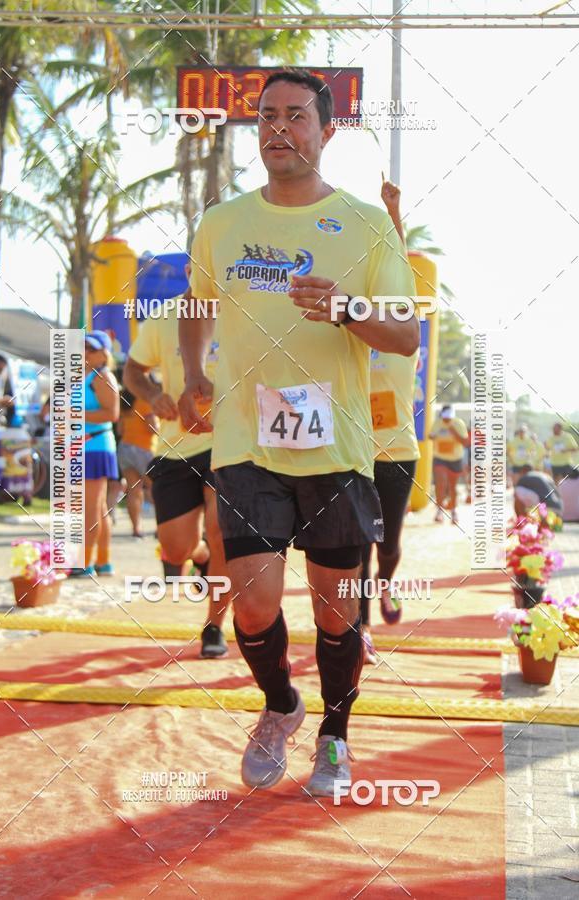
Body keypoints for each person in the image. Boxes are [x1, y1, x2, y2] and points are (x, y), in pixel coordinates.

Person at [179, 69, 419, 796]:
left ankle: (336, 736)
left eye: (296, 116)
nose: (279, 128)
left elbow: (405, 334)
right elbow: (196, 306)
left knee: (336, 610)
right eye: (268, 116)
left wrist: (347, 309)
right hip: (247, 443)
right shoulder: (221, 222)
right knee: (252, 600)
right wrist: (193, 372)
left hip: (336, 447)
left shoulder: (365, 222)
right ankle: (281, 705)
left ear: (326, 131)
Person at [123, 296, 230, 659]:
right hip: (176, 445)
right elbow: (133, 370)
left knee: (221, 531)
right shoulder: (165, 314)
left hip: (231, 442)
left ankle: (214, 625)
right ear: (189, 270)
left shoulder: (246, 303)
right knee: (176, 548)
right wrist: (154, 395)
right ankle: (199, 555)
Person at [359, 175, 419, 663]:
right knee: (356, 545)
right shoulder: (356, 334)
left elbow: (398, 268)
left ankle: (387, 584)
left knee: (389, 546)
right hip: (355, 455)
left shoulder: (403, 343)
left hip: (398, 454)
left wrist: (394, 214)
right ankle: (360, 627)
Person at [70, 331, 120, 577]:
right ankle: (103, 562)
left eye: (90, 348)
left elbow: (112, 414)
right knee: (98, 509)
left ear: (103, 353)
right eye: (83, 346)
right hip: (87, 446)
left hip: (95, 447)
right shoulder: (87, 376)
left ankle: (85, 562)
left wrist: (74, 415)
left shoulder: (102, 376)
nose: (85, 351)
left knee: (90, 509)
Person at [117, 384, 158, 538]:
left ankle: (136, 528)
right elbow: (152, 427)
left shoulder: (124, 402)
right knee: (156, 489)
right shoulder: (145, 402)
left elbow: (120, 430)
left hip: (125, 448)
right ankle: (160, 527)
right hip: (144, 449)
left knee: (134, 490)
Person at [429, 404, 469, 524]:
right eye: (445, 417)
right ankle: (439, 510)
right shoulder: (437, 423)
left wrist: (454, 432)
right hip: (440, 458)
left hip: (455, 459)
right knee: (440, 483)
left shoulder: (458, 423)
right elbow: (430, 436)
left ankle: (454, 510)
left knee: (452, 486)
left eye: (449, 417)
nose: (447, 420)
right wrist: (433, 435)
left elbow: (465, 442)